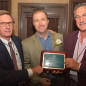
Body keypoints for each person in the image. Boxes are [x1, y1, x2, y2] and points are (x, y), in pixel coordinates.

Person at [22, 9, 65, 86]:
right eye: (36, 20)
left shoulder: (59, 37)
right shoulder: (25, 43)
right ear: (33, 24)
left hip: (59, 81)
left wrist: (61, 69)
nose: (40, 23)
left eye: (43, 19)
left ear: (48, 21)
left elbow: (62, 57)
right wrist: (38, 80)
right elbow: (26, 67)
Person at [0, 10, 43, 86]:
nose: (7, 26)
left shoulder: (17, 40)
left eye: (10, 23)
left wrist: (45, 32)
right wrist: (32, 71)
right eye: (3, 23)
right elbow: (3, 76)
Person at [64, 3, 86, 86]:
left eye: (85, 15)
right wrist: (59, 69)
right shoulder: (69, 37)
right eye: (77, 17)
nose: (81, 20)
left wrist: (79, 66)